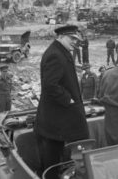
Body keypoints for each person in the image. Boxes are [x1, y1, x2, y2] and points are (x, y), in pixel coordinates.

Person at [34, 25, 89, 179]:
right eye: (72, 39)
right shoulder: (55, 55)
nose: (75, 42)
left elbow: (59, 74)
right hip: (55, 118)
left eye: (76, 40)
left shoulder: (59, 51)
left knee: (54, 153)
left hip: (56, 118)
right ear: (60, 37)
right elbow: (50, 84)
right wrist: (68, 99)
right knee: (51, 158)